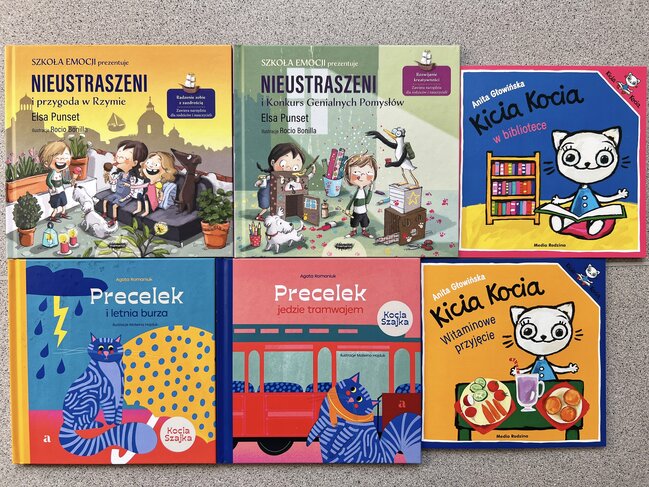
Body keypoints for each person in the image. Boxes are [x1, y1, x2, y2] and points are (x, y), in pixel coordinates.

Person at [254, 142, 316, 221]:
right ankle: (259, 215)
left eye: (295, 167)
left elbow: (305, 178)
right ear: (273, 162)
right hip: (267, 194)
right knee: (265, 206)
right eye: (283, 164)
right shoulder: (272, 177)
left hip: (284, 195)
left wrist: (313, 171)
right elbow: (263, 181)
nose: (289, 168)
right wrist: (260, 182)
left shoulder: (294, 176)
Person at [101, 140, 148, 225]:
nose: (118, 157)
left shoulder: (132, 178)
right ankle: (104, 214)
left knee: (115, 206)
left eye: (124, 157)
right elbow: (113, 182)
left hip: (124, 196)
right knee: (105, 201)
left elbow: (132, 192)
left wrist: (124, 199)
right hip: (117, 194)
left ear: (135, 163)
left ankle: (114, 220)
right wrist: (108, 176)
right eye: (119, 154)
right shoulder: (120, 174)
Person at [41, 140, 78, 222]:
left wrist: (70, 181)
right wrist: (52, 187)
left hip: (61, 190)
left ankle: (63, 213)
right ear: (46, 163)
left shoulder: (60, 172)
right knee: (56, 206)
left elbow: (63, 181)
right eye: (58, 158)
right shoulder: (52, 173)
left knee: (64, 203)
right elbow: (48, 181)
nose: (62, 160)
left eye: (65, 158)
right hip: (55, 192)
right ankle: (52, 217)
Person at [343, 152, 378, 239]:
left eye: (368, 172)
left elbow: (367, 201)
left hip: (363, 211)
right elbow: (351, 201)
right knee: (354, 222)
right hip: (356, 212)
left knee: (364, 222)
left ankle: (364, 231)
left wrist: (370, 190)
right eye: (356, 172)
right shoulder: (357, 192)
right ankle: (354, 231)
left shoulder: (364, 192)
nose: (362, 176)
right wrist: (347, 209)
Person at [139, 151, 178, 216]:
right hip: (147, 200)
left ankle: (147, 211)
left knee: (146, 197)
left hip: (153, 202)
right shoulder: (149, 182)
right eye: (149, 162)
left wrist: (160, 198)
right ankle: (141, 209)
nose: (150, 165)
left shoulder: (158, 184)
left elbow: (160, 192)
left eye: (156, 165)